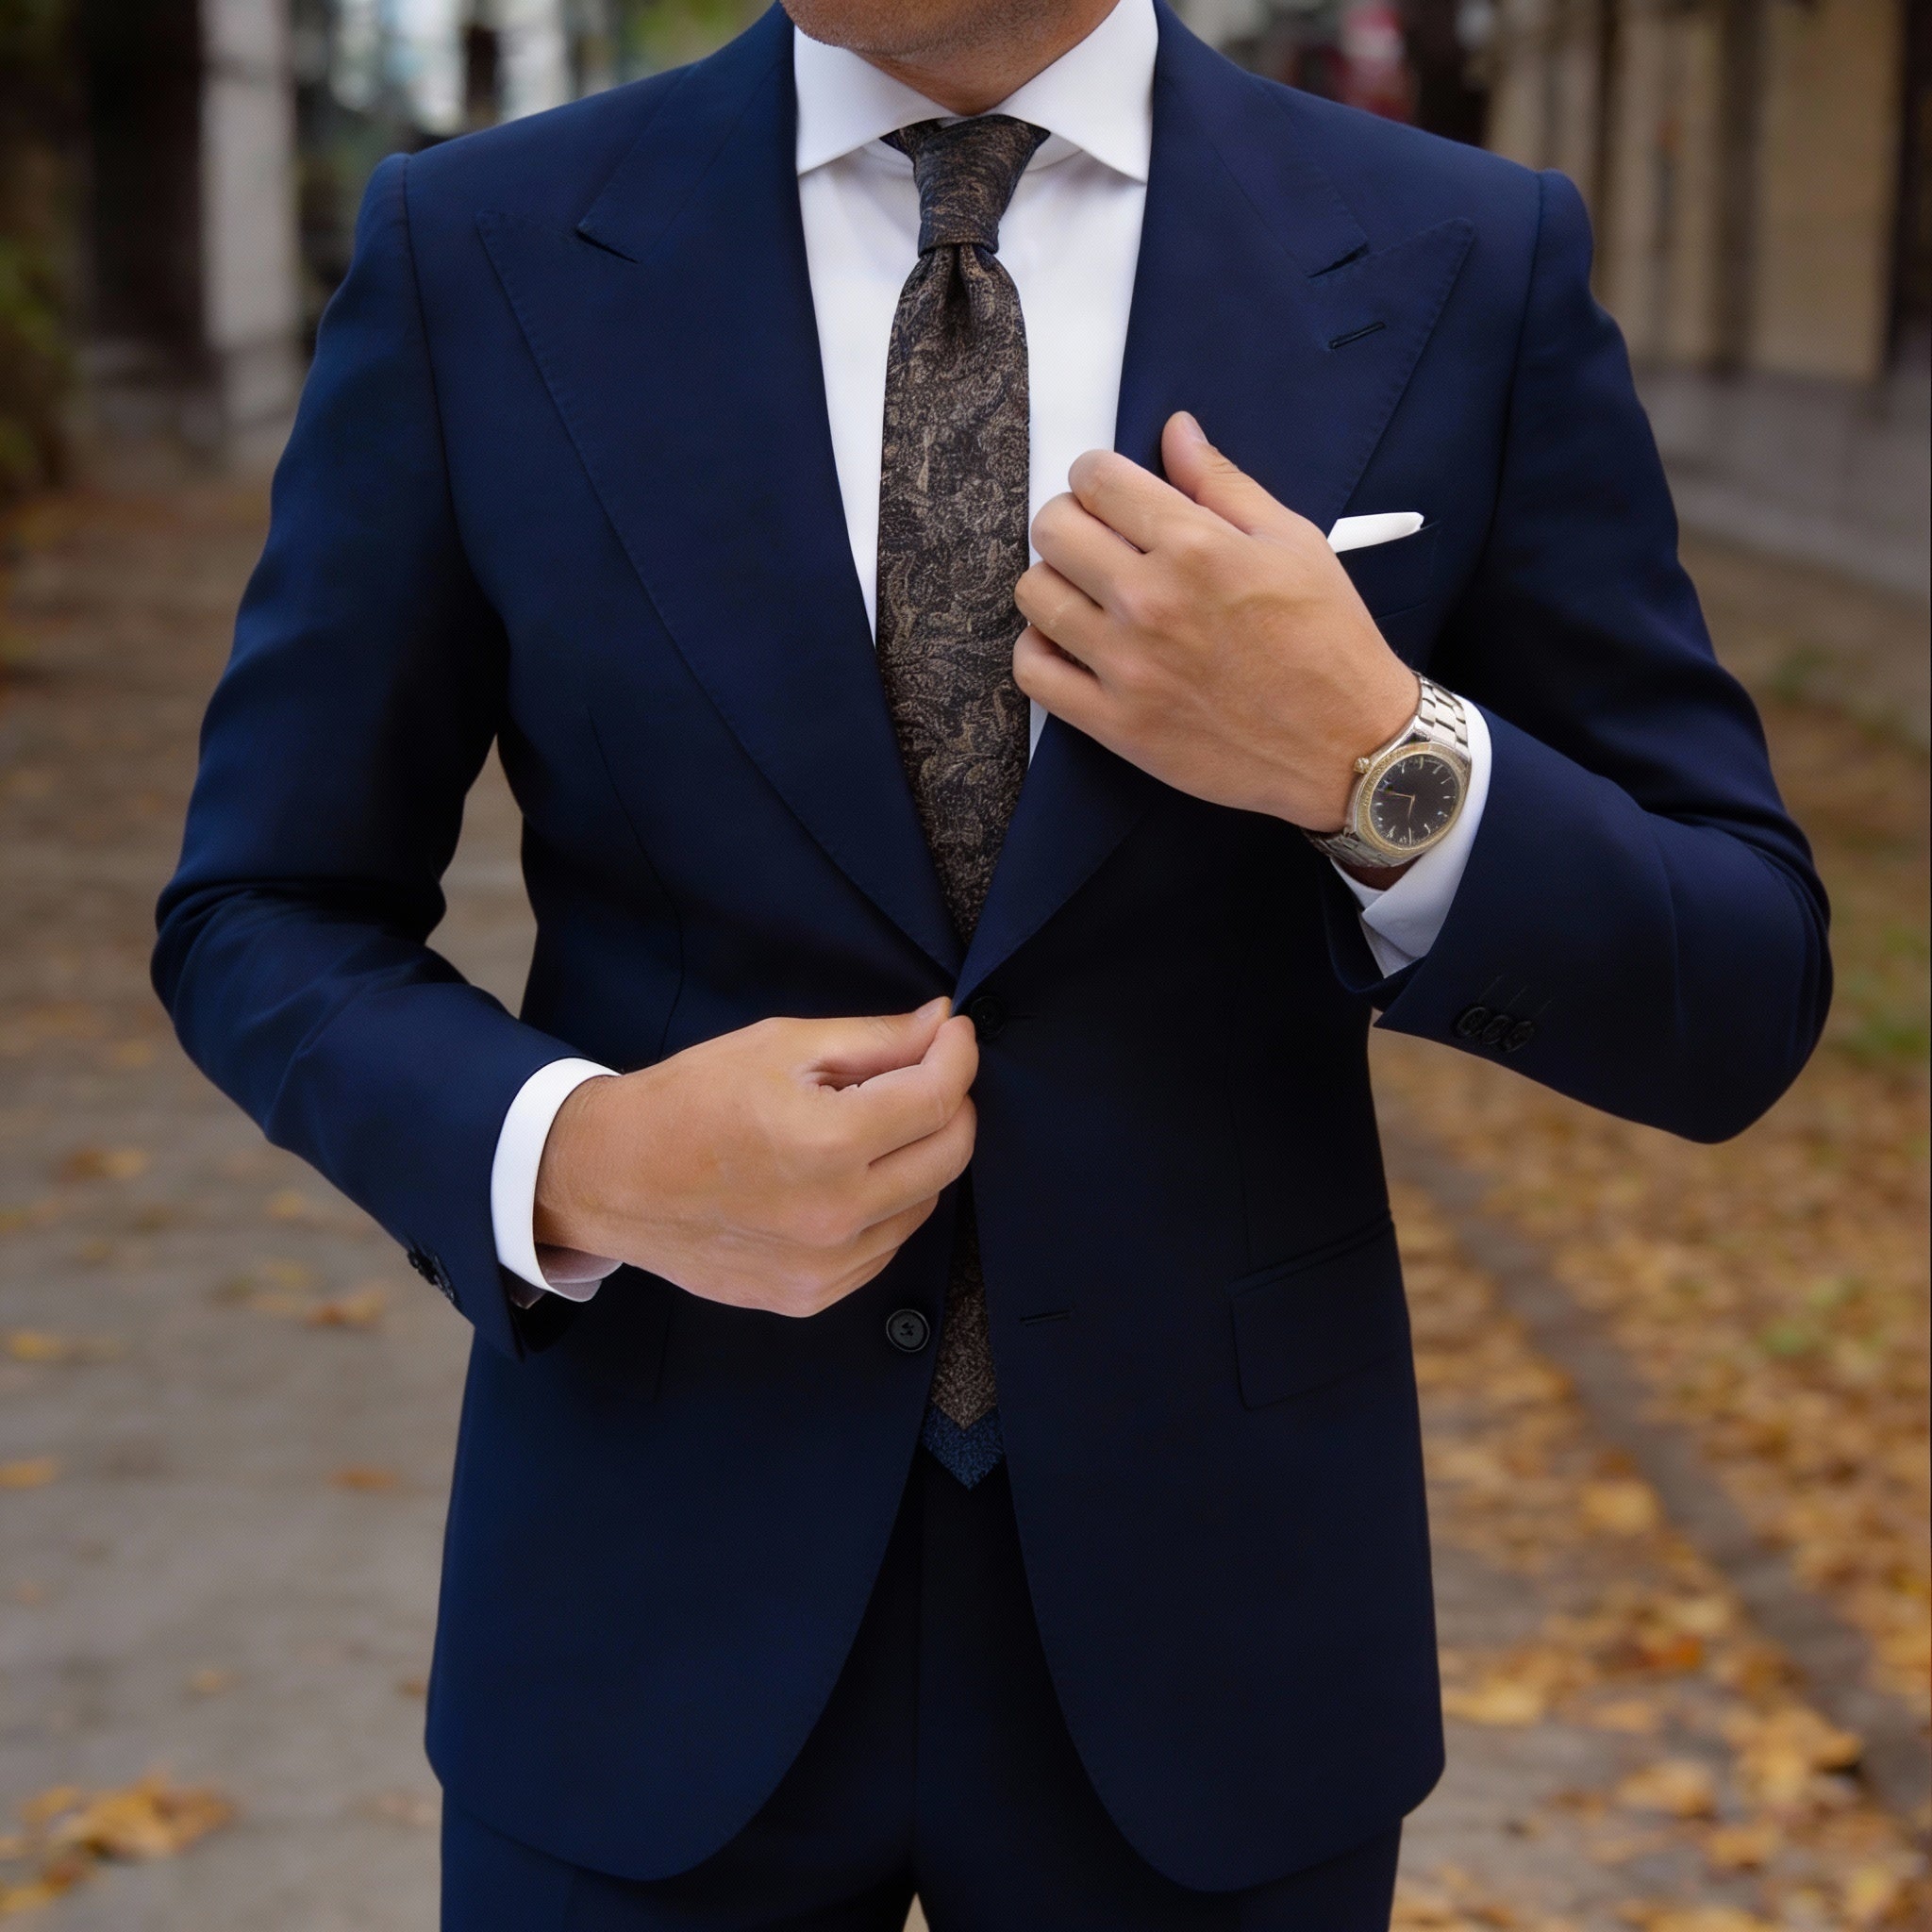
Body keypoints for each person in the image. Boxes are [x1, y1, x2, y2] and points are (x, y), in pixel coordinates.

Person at [154, 0, 1830, 1924]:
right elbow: (259, 908)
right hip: (646, 1612)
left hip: (1224, 1644)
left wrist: (1374, 760)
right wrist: (581, 1155)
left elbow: (1735, 986)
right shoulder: (484, 244)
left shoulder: (1463, 248)